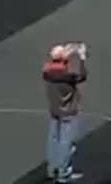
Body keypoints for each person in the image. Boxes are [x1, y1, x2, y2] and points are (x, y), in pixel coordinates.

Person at [42, 42, 87, 184]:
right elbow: (82, 75)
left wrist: (65, 52)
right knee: (66, 143)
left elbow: (58, 62)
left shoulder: (47, 71)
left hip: (54, 110)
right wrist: (81, 57)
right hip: (68, 112)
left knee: (53, 139)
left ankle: (52, 169)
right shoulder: (67, 75)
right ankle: (64, 172)